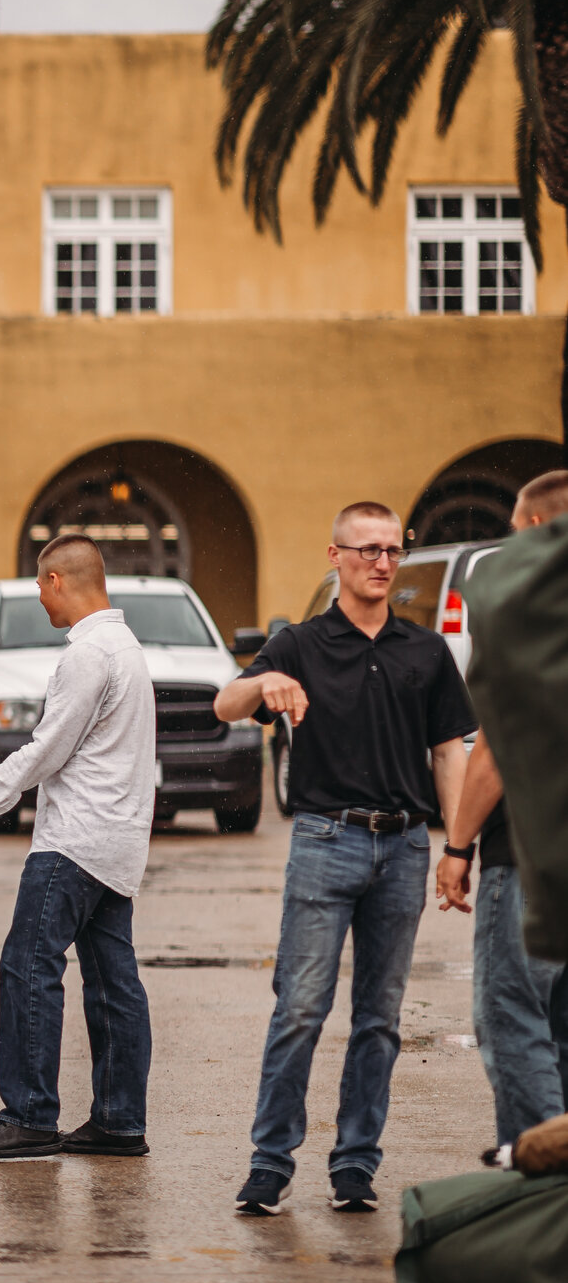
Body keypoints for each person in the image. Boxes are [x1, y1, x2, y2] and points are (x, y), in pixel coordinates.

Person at [218, 501, 474, 1215]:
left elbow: (449, 752)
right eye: (367, 550)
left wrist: (457, 847)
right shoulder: (299, 643)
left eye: (393, 549)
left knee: (380, 1018)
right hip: (323, 841)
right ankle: (270, 1163)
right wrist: (260, 685)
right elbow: (223, 704)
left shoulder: (425, 651)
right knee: (299, 1007)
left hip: (403, 849)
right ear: (335, 556)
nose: (383, 563)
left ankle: (355, 1165)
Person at [0, 537, 156, 1160]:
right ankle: (119, 1122)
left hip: (73, 842)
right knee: (112, 980)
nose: (42, 601)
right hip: (118, 841)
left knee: (28, 967)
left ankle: (30, 1117)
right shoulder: (127, 649)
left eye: (41, 589)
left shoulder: (88, 657)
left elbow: (46, 750)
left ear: (55, 579)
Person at [436, 469, 568, 1148]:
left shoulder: (529, 611)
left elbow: (493, 749)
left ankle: (543, 1180)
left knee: (514, 1019)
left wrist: (458, 846)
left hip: (530, 861)